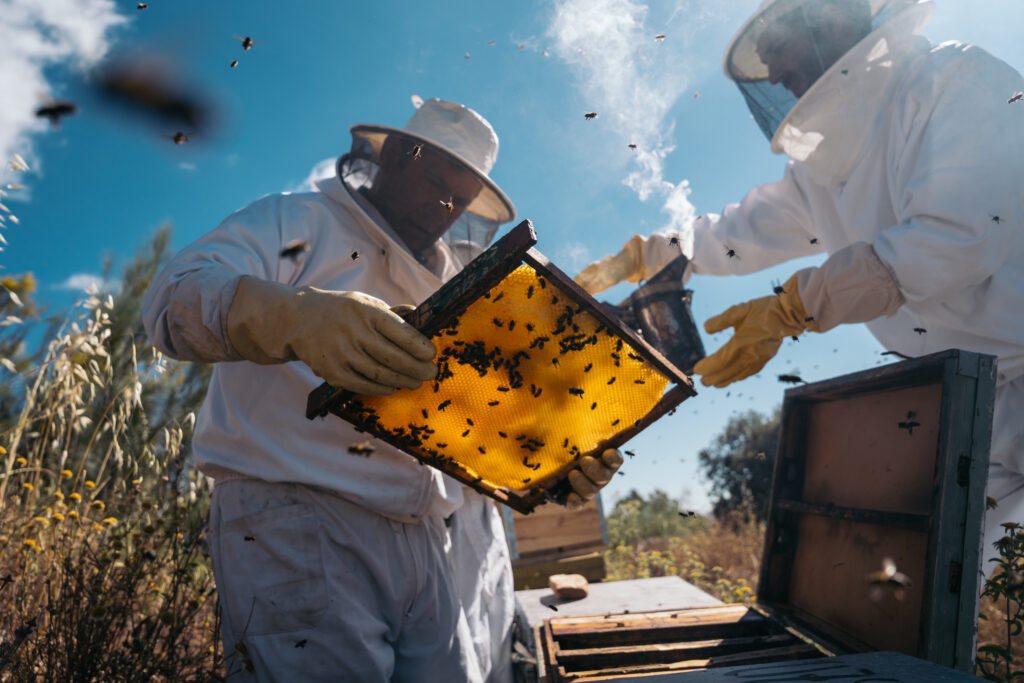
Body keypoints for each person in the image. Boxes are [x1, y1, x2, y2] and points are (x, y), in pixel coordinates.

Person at [143, 98, 622, 682]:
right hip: (297, 520)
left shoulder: (457, 285)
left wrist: (553, 466)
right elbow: (175, 298)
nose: (445, 205)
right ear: (393, 154)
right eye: (434, 179)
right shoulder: (295, 220)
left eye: (462, 197)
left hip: (426, 540)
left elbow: (480, 420)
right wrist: (293, 317)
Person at [575, 0, 1024, 578]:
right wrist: (657, 253)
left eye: (777, 45)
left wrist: (800, 305)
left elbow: (955, 238)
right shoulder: (822, 169)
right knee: (934, 591)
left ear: (829, 16)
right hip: (969, 402)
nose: (771, 69)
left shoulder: (955, 80)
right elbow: (744, 230)